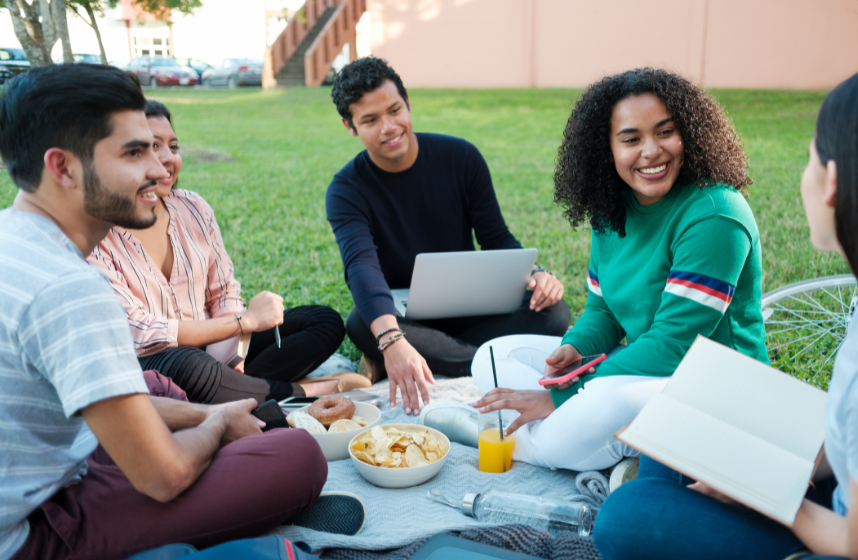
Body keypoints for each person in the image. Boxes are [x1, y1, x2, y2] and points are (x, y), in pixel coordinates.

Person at [593, 61, 858, 559]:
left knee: (626, 516)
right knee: (675, 436)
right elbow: (846, 431)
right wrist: (788, 468)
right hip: (856, 498)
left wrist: (770, 493)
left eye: (807, 158)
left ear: (832, 183)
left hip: (857, 545)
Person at [0, 64, 364, 560]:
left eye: (158, 147)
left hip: (60, 461)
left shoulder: (14, 240)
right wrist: (214, 427)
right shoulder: (72, 288)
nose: (158, 168)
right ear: (62, 167)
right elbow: (164, 476)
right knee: (296, 456)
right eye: (133, 152)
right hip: (35, 531)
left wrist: (209, 411)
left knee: (154, 387)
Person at [425, 67, 768, 472]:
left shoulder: (715, 214)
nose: (651, 150)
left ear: (689, 134)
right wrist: (574, 350)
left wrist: (558, 397)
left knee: (607, 401)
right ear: (607, 148)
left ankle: (502, 436)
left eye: (665, 132)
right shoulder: (614, 210)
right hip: (649, 369)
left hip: (714, 391)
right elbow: (603, 311)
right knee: (493, 356)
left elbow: (674, 345)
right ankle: (607, 443)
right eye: (631, 139)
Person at [327, 56, 570, 416]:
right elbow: (361, 267)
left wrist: (536, 274)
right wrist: (393, 339)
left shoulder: (461, 157)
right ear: (350, 127)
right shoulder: (346, 189)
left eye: (395, 110)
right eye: (370, 120)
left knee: (553, 312)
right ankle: (486, 359)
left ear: (408, 102)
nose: (389, 127)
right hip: (408, 317)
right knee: (362, 323)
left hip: (473, 305)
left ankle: (442, 359)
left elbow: (496, 237)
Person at [87, 100, 366, 405]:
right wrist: (243, 323)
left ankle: (237, 388)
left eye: (173, 145)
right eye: (153, 146)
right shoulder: (95, 235)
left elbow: (223, 292)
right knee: (191, 367)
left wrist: (235, 349)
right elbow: (139, 331)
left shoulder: (192, 206)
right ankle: (308, 391)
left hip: (214, 349)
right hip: (157, 363)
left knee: (323, 321)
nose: (167, 158)